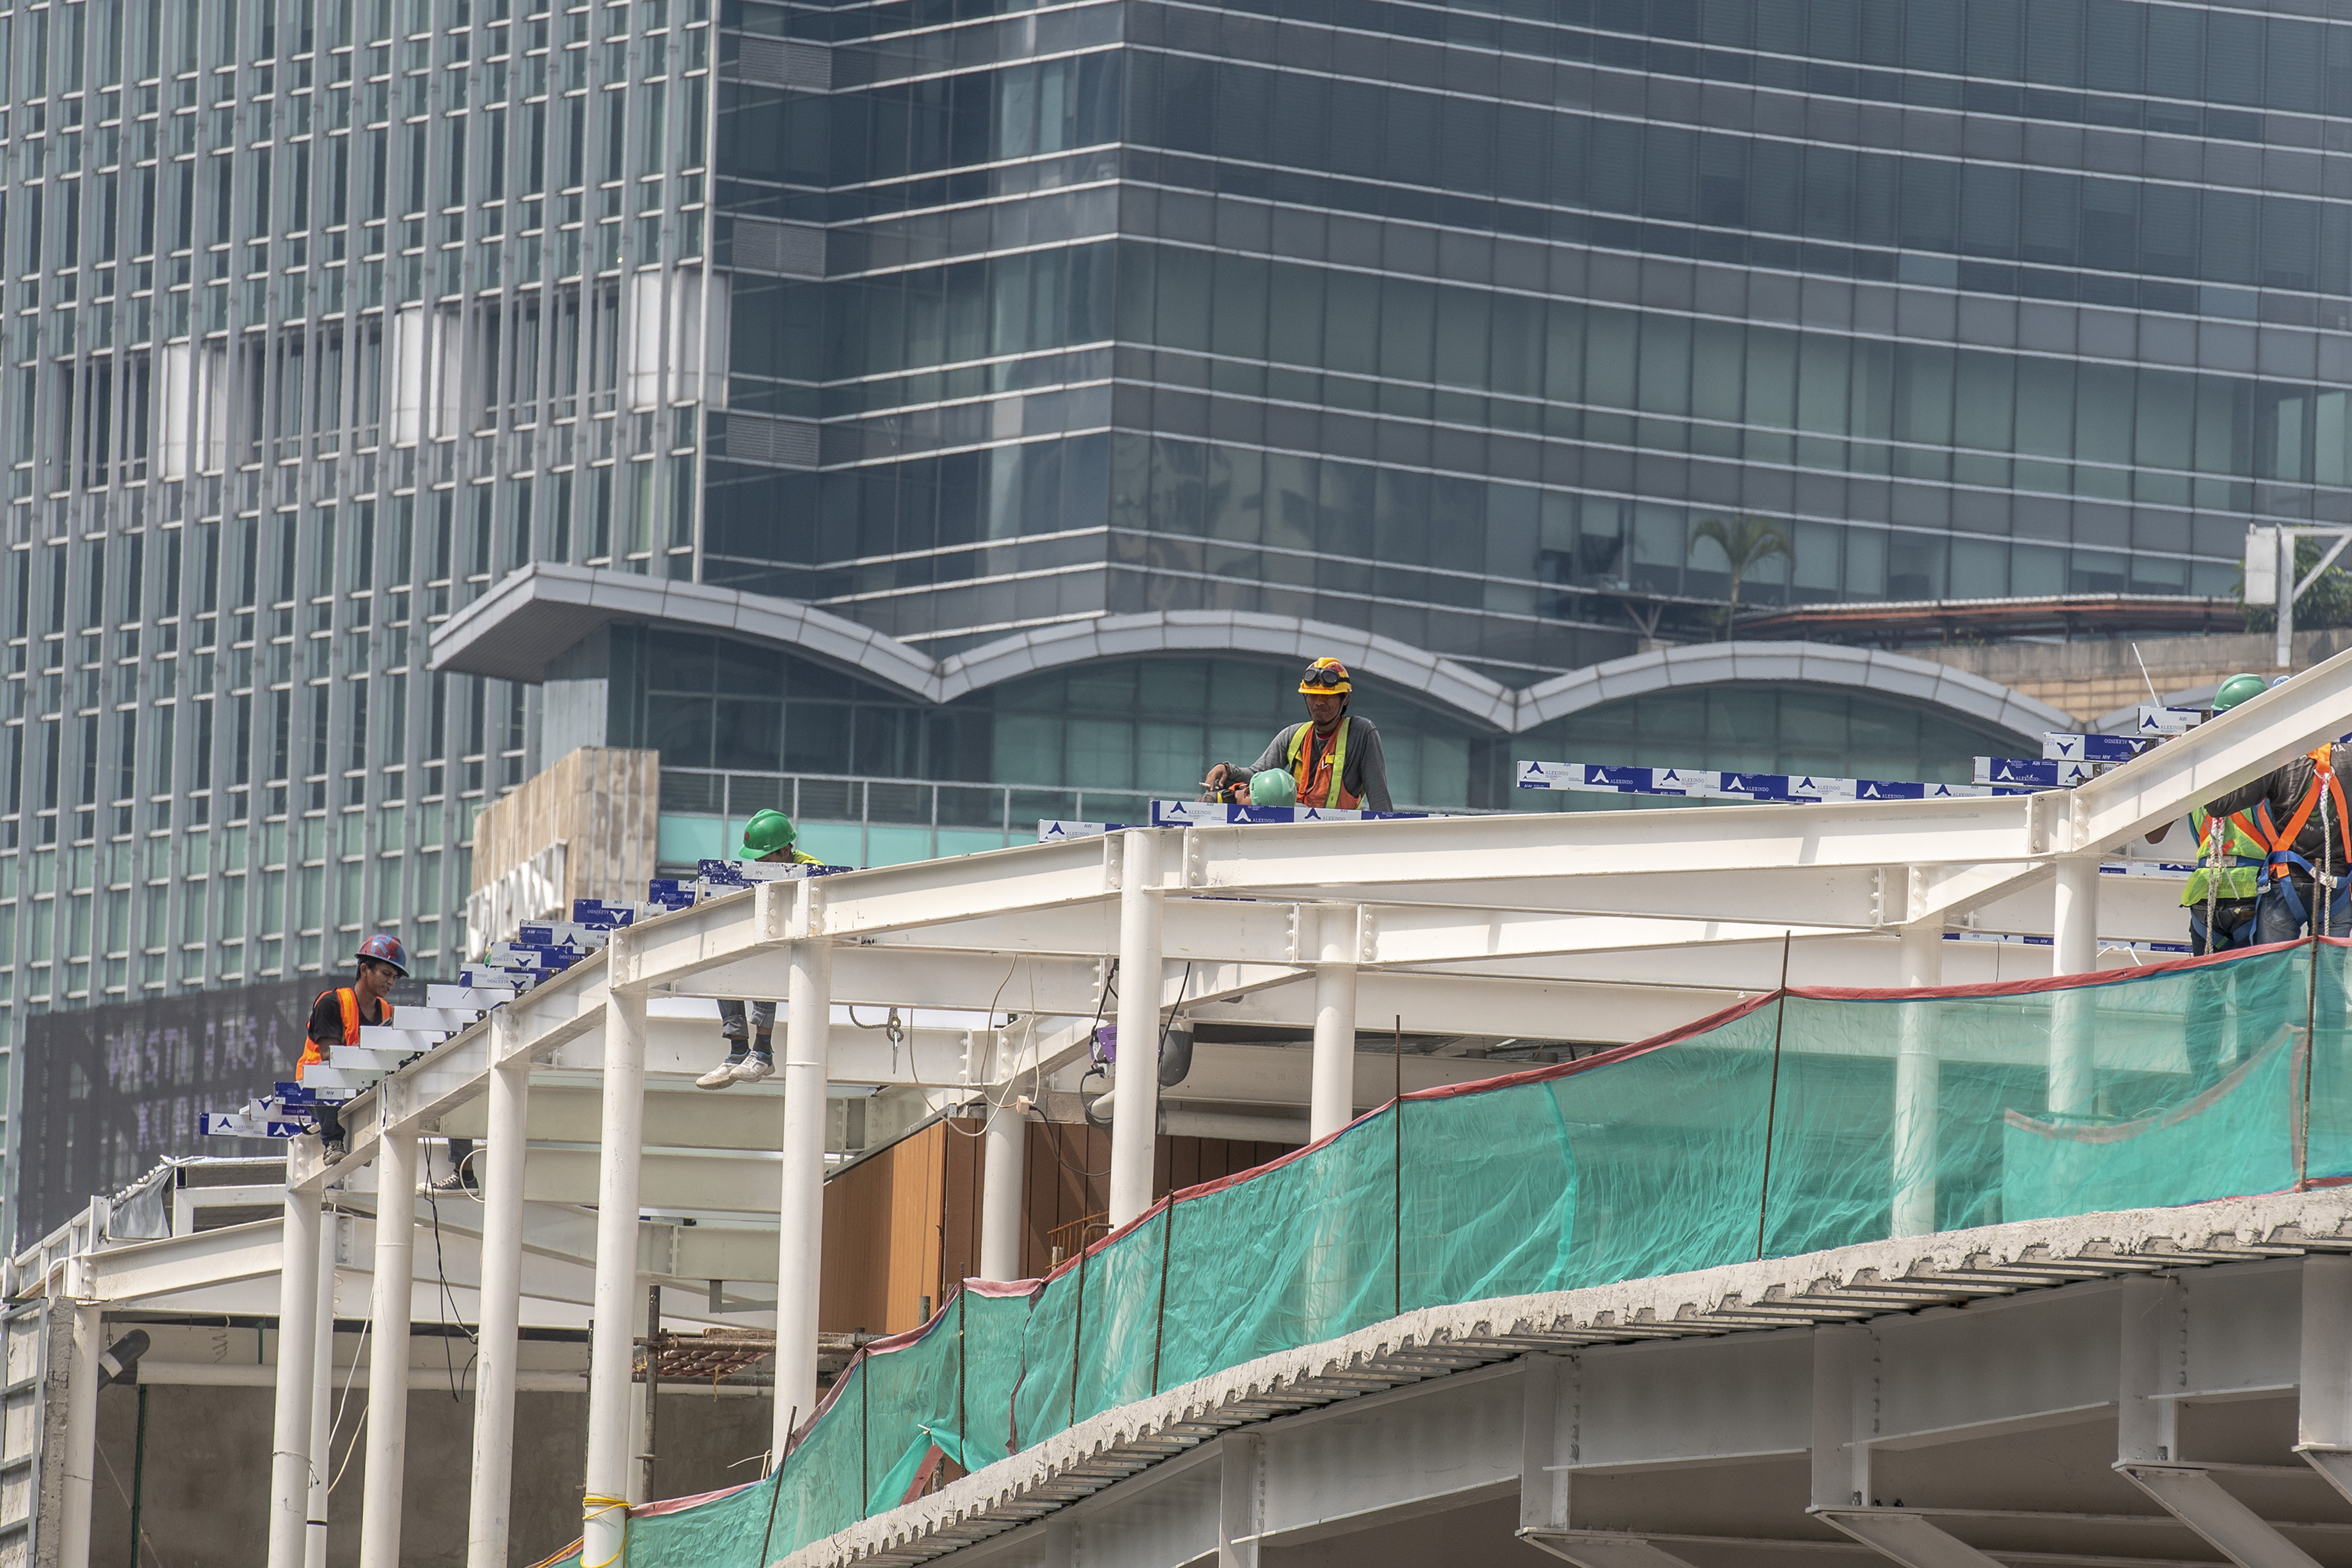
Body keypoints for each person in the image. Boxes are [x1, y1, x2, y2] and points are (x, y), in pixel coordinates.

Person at [2196, 677, 2352, 947]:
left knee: (2273, 973)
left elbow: (2218, 805)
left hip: (2286, 884)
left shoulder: (2279, 760)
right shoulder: (2349, 758)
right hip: (2335, 885)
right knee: (2329, 973)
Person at [697, 809, 824, 1091]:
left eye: (766, 860)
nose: (760, 866)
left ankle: (763, 1049)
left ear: (785, 851)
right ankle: (739, 1049)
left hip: (785, 949)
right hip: (766, 941)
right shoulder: (773, 867)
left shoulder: (812, 870)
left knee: (766, 958)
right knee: (723, 959)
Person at [1201, 657, 1394, 812]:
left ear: (1346, 699)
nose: (1319, 703)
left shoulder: (1361, 733)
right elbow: (1257, 776)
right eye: (1313, 696)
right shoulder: (1294, 735)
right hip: (1296, 834)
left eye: (1327, 697)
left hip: (1339, 838)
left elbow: (1379, 799)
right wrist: (1227, 769)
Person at [303, 934, 407, 1156]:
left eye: (395, 977)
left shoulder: (388, 1012)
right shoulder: (332, 1003)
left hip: (362, 1086)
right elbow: (328, 1056)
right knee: (325, 1074)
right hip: (318, 1089)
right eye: (386, 974)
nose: (391, 982)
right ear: (364, 970)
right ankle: (332, 1141)